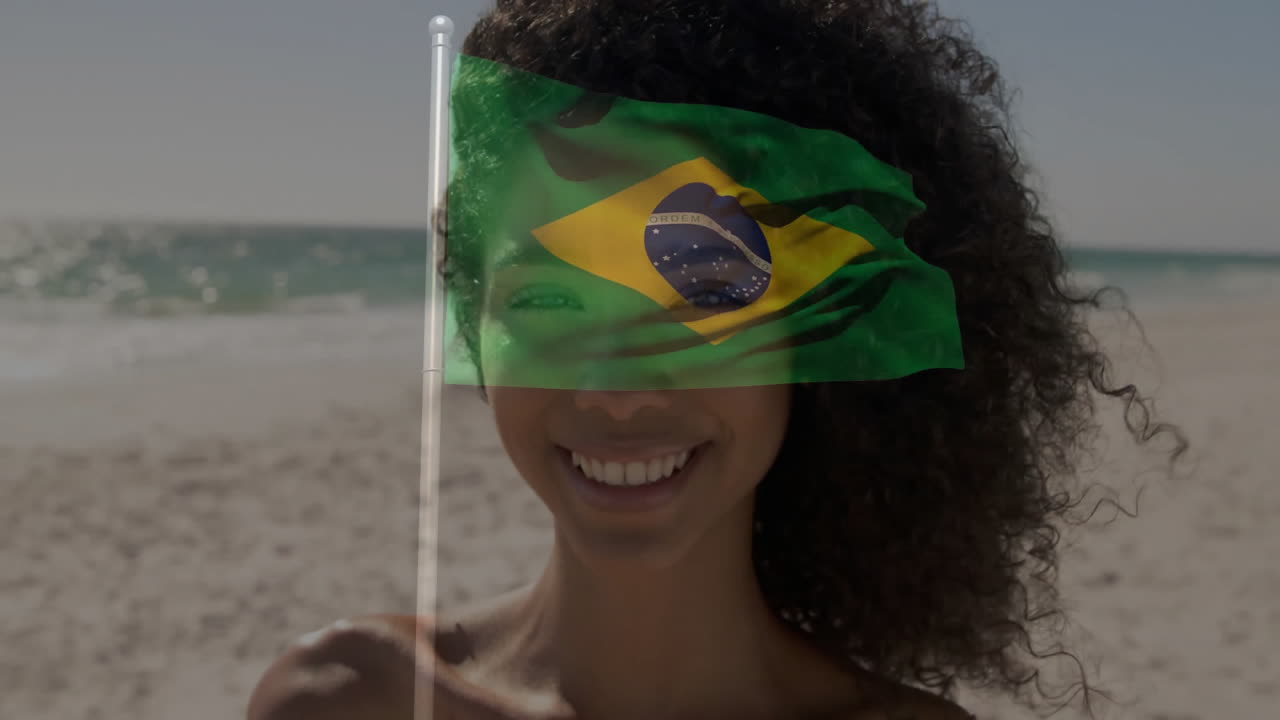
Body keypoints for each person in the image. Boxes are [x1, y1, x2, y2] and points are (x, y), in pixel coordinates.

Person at [247, 1, 1186, 718]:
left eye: (702, 291)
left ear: (821, 328)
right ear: (474, 324)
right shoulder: (346, 701)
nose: (613, 388)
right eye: (546, 300)